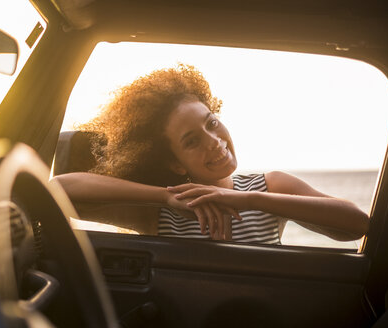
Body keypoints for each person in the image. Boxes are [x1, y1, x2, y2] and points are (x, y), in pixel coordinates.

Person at [53, 64, 369, 244]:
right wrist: (164, 197)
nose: (214, 141)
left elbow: (357, 224)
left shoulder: (267, 186)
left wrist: (250, 200)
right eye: (191, 141)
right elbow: (58, 190)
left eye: (212, 123)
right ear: (174, 162)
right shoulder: (161, 212)